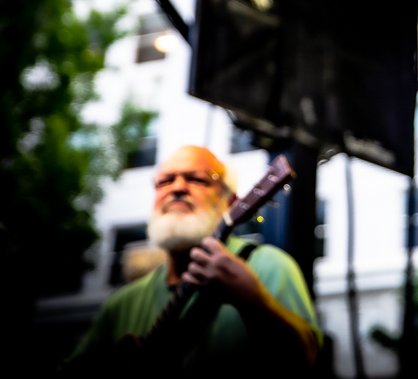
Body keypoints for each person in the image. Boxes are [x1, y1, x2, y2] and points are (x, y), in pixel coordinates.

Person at [64, 145, 321, 371]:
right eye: (164, 181)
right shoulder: (119, 306)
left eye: (197, 179)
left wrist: (253, 300)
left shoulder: (269, 266)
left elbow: (308, 360)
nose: (177, 188)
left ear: (230, 201)